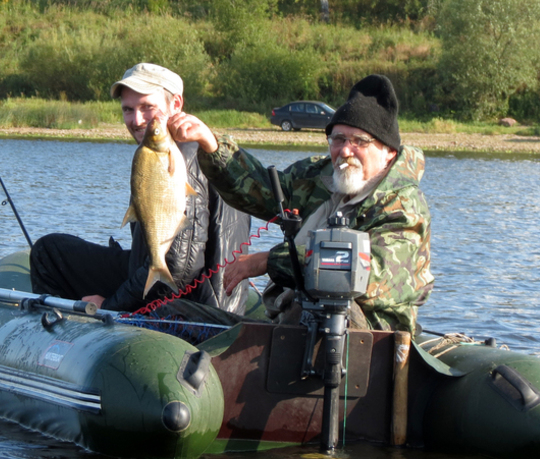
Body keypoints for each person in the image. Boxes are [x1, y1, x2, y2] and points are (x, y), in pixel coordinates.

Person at [169, 74, 433, 332]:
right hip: (294, 325)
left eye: (360, 141)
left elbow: (371, 276)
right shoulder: (319, 176)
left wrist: (269, 261)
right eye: (338, 139)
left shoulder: (404, 206)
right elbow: (261, 189)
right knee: (173, 314)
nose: (345, 151)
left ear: (389, 153)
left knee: (328, 308)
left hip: (367, 342)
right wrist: (211, 144)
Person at [29, 62, 251, 316]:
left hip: (197, 306)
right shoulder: (180, 149)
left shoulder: (184, 156)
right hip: (166, 277)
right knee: (49, 252)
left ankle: (67, 336)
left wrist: (109, 307)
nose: (136, 120)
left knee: (50, 255)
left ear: (176, 105)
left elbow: (178, 267)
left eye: (148, 108)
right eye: (128, 109)